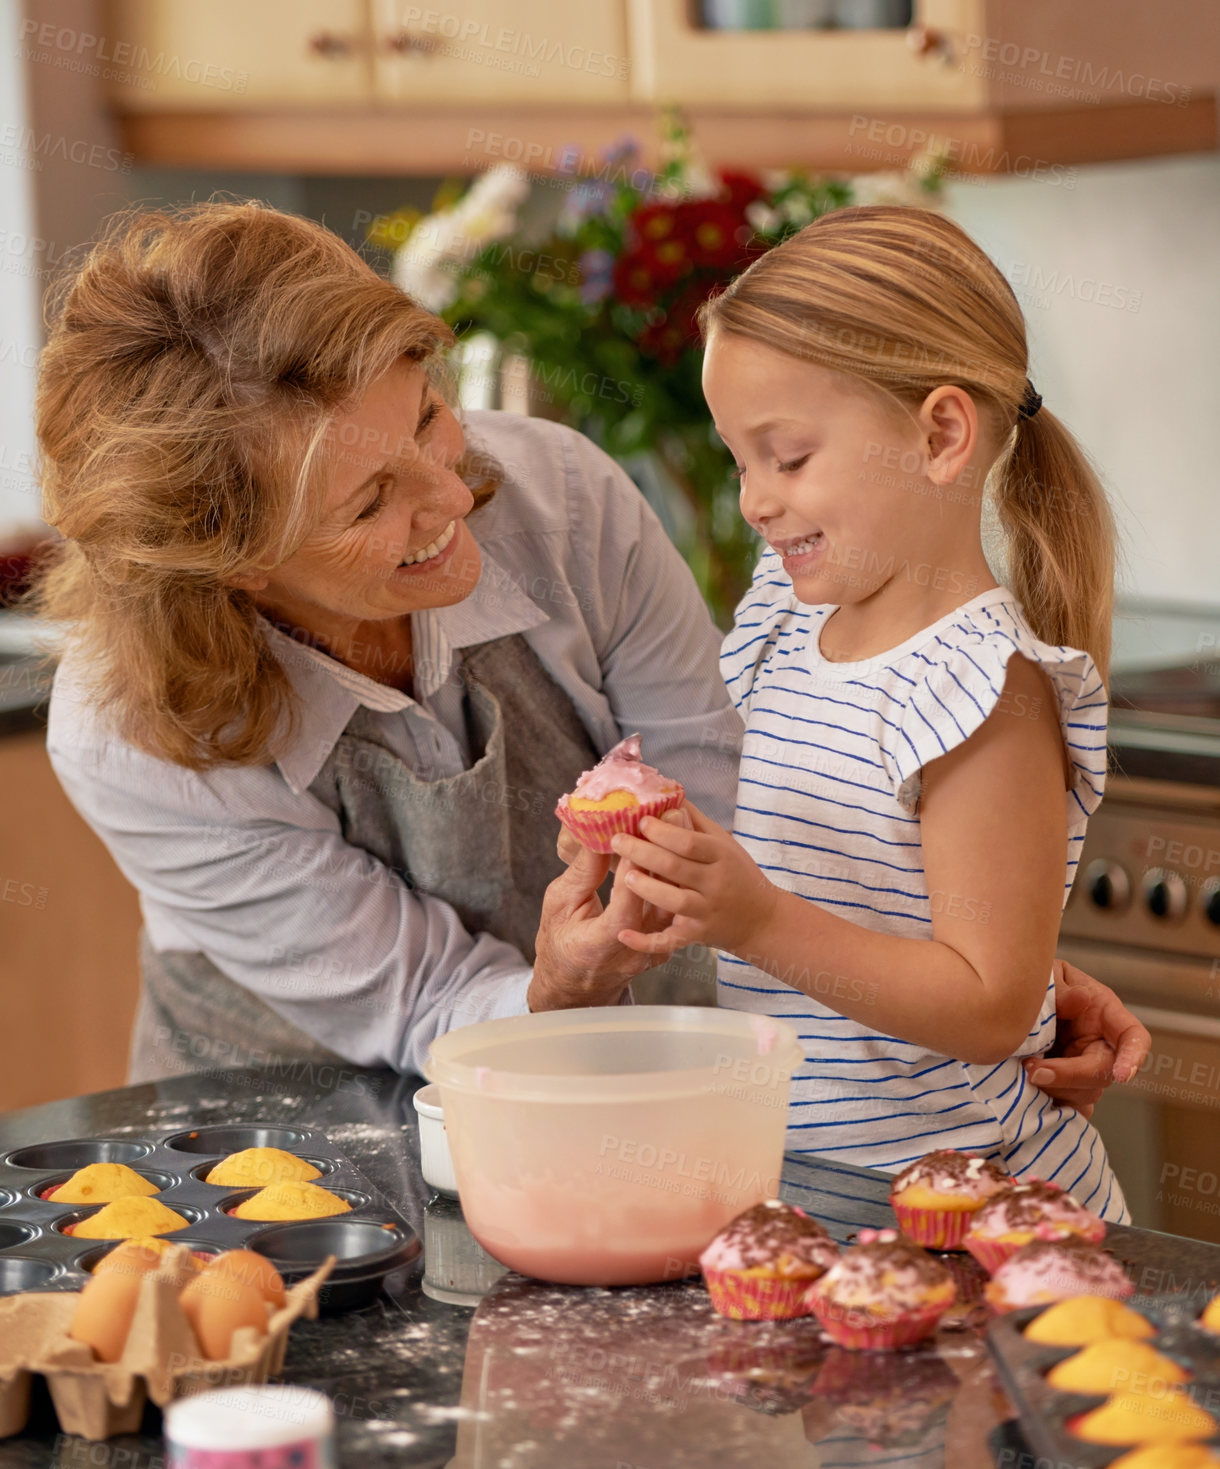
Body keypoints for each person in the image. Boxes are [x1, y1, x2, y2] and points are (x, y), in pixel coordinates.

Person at [33, 198, 1143, 1114]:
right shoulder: (131, 733)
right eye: (373, 500)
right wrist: (559, 984)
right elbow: (426, 1006)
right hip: (284, 1124)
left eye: (427, 417)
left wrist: (975, 975)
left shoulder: (557, 499)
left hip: (606, 1095)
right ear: (239, 567)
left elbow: (738, 827)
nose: (453, 496)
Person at [610, 205, 1126, 1216]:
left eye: (788, 457)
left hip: (973, 1226)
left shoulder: (982, 694)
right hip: (811, 1199)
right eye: (738, 461)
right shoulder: (777, 617)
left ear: (937, 435)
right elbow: (853, 888)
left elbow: (987, 1003)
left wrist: (753, 919)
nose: (755, 500)